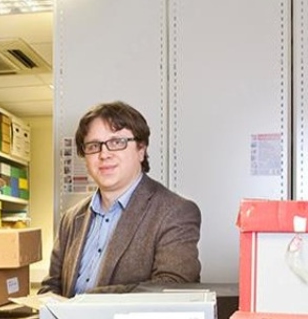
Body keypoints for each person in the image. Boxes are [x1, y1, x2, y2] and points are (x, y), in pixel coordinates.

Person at [41, 100, 201, 296]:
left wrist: (86, 302)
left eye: (117, 142)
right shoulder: (70, 219)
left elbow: (173, 287)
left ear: (141, 149)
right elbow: (51, 286)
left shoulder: (174, 212)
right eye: (93, 146)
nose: (104, 154)